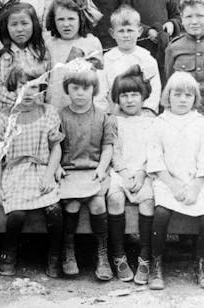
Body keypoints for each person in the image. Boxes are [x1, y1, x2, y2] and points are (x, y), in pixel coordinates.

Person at [148, 71, 204, 290]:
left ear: (195, 99)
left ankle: (201, 264)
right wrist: (173, 185)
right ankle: (156, 264)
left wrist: (196, 187)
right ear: (168, 96)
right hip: (168, 181)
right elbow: (155, 159)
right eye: (177, 94)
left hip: (197, 182)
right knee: (160, 213)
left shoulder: (201, 123)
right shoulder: (159, 123)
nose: (182, 99)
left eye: (188, 95)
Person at [0, 65, 64, 278]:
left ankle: (54, 256)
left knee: (54, 210)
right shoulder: (3, 118)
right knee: (16, 214)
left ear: (42, 89)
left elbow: (55, 148)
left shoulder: (48, 112)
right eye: (21, 87)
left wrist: (49, 174)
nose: (27, 93)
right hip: (15, 170)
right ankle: (9, 252)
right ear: (12, 90)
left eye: (34, 87)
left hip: (41, 167)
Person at [57, 66, 117, 281]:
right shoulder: (61, 116)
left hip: (94, 170)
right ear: (67, 89)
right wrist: (57, 166)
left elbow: (108, 146)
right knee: (71, 204)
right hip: (70, 171)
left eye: (85, 88)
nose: (80, 93)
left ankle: (102, 254)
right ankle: (68, 250)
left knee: (98, 203)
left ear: (94, 89)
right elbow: (54, 146)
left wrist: (101, 168)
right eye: (75, 88)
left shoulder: (102, 116)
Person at [106, 67, 156, 284]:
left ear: (143, 96)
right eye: (124, 95)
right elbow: (114, 150)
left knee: (148, 200)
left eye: (134, 94)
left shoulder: (152, 121)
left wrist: (141, 172)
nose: (129, 100)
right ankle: (118, 254)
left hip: (144, 172)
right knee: (114, 197)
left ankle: (145, 256)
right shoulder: (113, 121)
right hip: (120, 171)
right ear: (117, 98)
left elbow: (154, 151)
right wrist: (125, 173)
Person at [120, 0, 181, 83]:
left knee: (162, 79)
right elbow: (126, 19)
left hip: (163, 46)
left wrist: (172, 23)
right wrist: (148, 31)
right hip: (139, 46)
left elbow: (177, 16)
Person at [44, 0, 107, 110]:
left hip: (83, 107)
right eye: (61, 19)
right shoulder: (50, 43)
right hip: (55, 106)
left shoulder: (91, 42)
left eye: (71, 19)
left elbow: (99, 80)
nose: (66, 24)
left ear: (81, 19)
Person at [0, 1, 51, 112]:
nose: (19, 29)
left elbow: (46, 87)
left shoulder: (42, 53)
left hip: (34, 116)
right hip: (4, 115)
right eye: (14, 24)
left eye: (24, 23)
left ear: (34, 25)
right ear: (6, 27)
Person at [103, 6, 161, 115]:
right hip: (114, 114)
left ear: (139, 31)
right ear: (112, 33)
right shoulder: (107, 59)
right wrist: (110, 114)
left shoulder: (147, 59)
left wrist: (146, 112)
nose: (125, 35)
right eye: (121, 31)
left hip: (142, 116)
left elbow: (154, 92)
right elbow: (101, 92)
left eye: (130, 30)